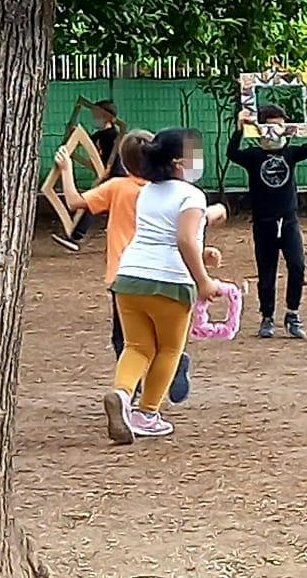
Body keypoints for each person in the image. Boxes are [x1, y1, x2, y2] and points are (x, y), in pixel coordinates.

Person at [58, 129, 199, 404]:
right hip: (167, 273)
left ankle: (129, 390)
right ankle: (170, 369)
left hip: (125, 273)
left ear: (123, 162)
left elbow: (75, 202)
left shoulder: (117, 187)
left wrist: (66, 169)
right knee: (167, 338)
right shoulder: (169, 192)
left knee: (127, 340)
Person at [104, 128, 217, 444]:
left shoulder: (147, 192)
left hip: (128, 277)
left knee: (137, 346)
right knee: (169, 348)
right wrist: (204, 281)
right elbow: (182, 239)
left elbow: (165, 235)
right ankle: (147, 413)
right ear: (179, 162)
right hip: (170, 282)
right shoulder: (192, 195)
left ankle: (122, 394)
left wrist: (202, 251)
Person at [228, 99, 307, 340]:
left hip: (288, 219)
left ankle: (292, 314)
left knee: (297, 265)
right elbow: (232, 153)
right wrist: (240, 126)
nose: (276, 131)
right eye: (271, 126)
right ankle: (267, 317)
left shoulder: (290, 153)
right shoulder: (254, 156)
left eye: (280, 126)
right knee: (267, 270)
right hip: (264, 221)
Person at [53, 98, 122, 253]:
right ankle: (75, 236)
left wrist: (105, 175)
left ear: (108, 117)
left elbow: (114, 161)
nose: (94, 118)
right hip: (106, 176)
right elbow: (84, 144)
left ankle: (75, 236)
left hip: (116, 176)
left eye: (97, 115)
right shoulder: (99, 135)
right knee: (92, 204)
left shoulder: (114, 137)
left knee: (90, 203)